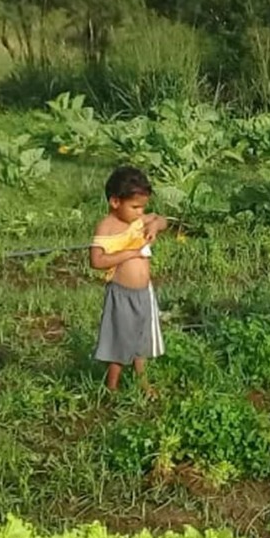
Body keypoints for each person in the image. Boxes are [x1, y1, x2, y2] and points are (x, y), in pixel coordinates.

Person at [89, 165, 168, 391]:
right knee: (120, 339)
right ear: (115, 202)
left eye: (143, 207)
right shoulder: (107, 227)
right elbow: (96, 261)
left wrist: (154, 225)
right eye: (135, 207)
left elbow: (162, 220)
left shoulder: (138, 220)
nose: (140, 212)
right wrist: (129, 253)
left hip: (144, 292)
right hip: (122, 294)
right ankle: (111, 386)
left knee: (141, 336)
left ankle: (142, 381)